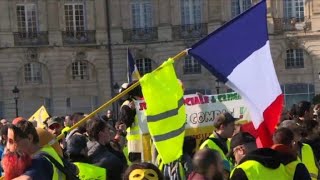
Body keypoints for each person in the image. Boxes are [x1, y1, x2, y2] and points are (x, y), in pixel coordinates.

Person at [7, 119, 77, 180]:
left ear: (29, 138)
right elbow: (76, 170)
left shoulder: (38, 160)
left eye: (13, 141)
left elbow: (27, 178)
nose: (9, 146)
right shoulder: (48, 150)